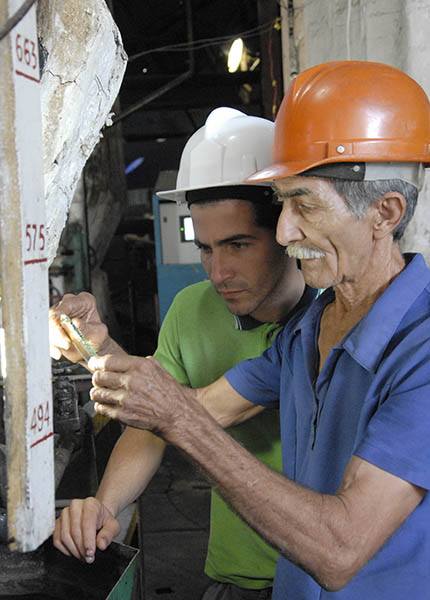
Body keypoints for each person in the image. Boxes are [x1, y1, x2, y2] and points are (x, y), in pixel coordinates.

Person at [75, 61, 430, 599]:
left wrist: (176, 417)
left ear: (385, 212)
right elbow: (192, 409)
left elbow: (340, 551)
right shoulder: (308, 332)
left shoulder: (420, 350)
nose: (287, 230)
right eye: (284, 203)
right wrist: (98, 350)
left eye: (304, 203)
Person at [51, 107, 317, 599]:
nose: (218, 273)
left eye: (238, 245)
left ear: (287, 227)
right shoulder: (192, 309)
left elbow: (175, 411)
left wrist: (107, 358)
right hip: (233, 574)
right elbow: (150, 424)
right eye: (206, 248)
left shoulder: (330, 319)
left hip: (322, 578)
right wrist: (106, 508)